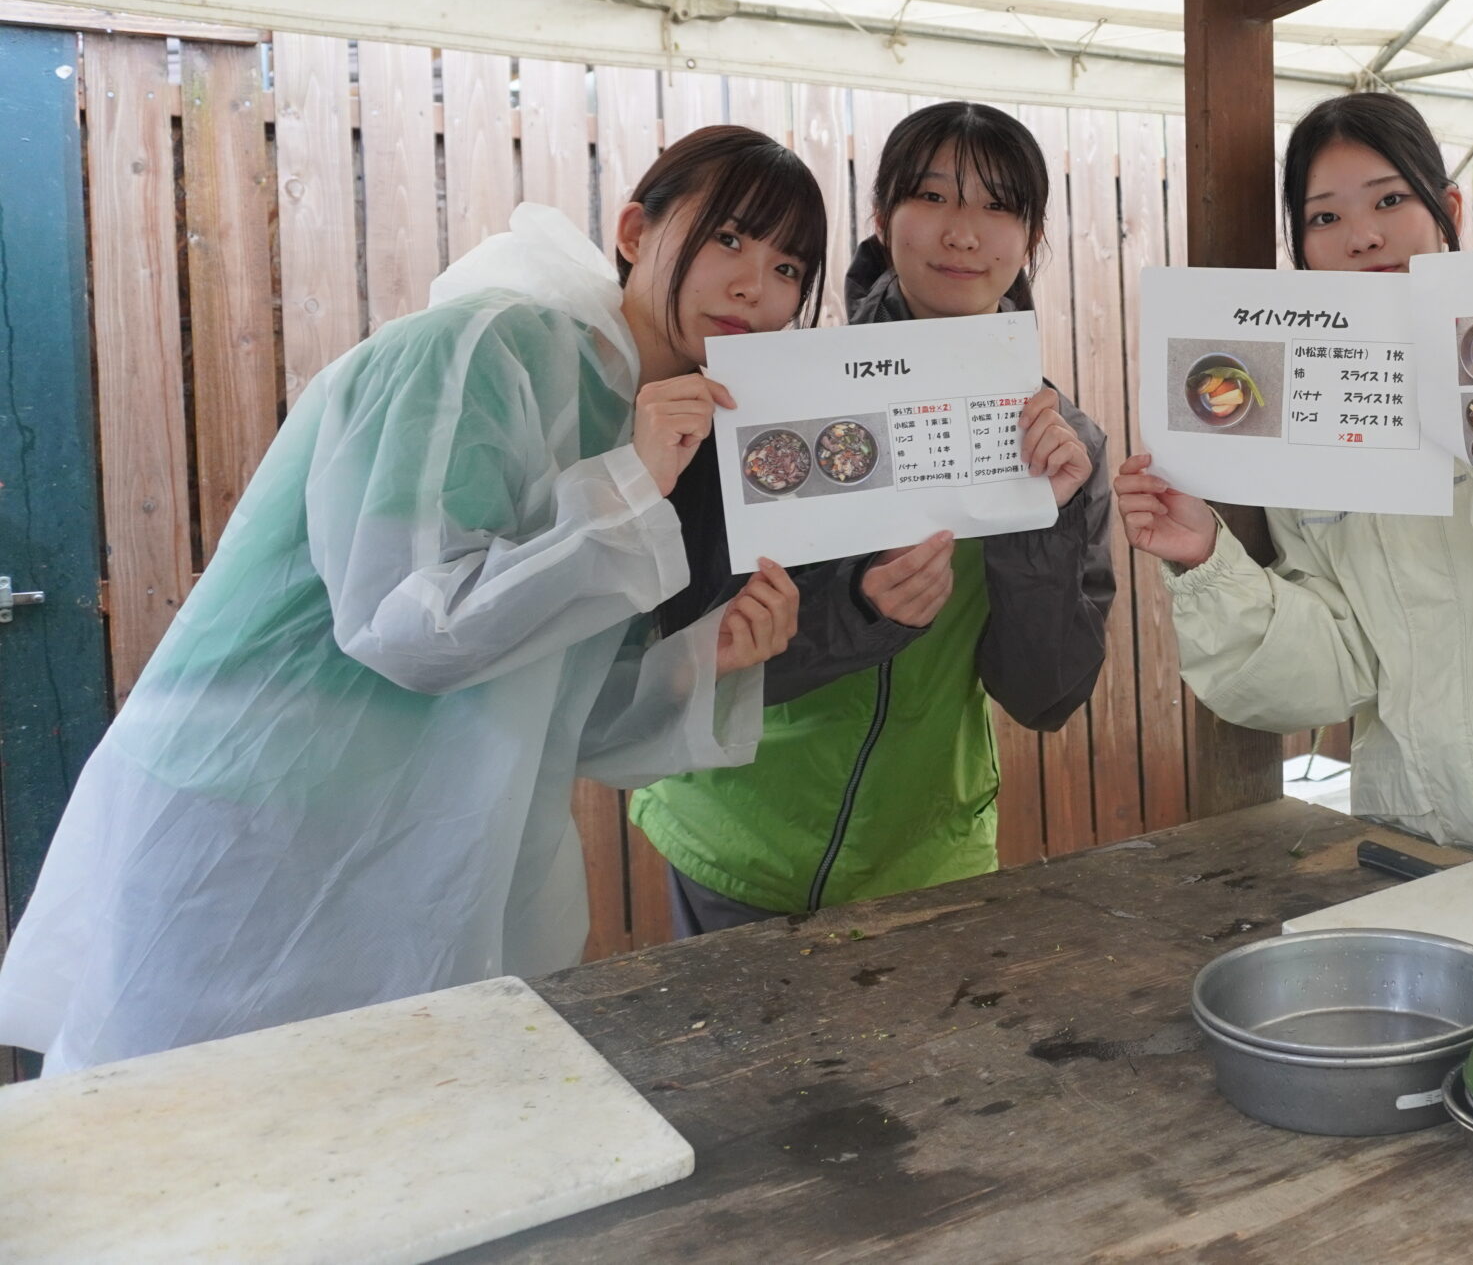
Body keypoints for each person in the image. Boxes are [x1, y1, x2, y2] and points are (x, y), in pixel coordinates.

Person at [0, 126, 816, 1072]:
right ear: (635, 231)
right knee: (191, 1115)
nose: (756, 286)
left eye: (788, 266)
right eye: (729, 238)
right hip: (258, 810)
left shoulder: (648, 421)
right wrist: (629, 490)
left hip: (428, 836)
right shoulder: (477, 351)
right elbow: (410, 628)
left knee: (389, 1117)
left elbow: (545, 699)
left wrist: (701, 658)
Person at [1113, 94, 1473, 898]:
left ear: (1448, 208)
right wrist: (1208, 558)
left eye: (1389, 200)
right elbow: (1337, 667)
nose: (1362, 236)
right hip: (1409, 840)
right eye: (1325, 217)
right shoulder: (1311, 422)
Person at [632, 102, 1113, 932]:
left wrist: (1047, 517)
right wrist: (860, 609)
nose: (963, 231)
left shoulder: (1065, 444)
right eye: (932, 195)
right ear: (883, 220)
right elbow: (700, 648)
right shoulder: (777, 395)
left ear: (1031, 237)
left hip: (925, 861)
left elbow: (1046, 696)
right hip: (737, 837)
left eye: (998, 205)